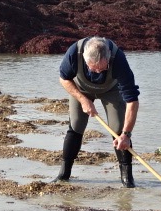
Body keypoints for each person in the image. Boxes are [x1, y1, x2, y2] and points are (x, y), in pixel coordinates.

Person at [54, 36, 140, 187]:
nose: (98, 72)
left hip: (111, 90)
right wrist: (82, 99)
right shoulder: (74, 53)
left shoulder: (118, 59)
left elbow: (132, 101)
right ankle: (63, 175)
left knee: (118, 129)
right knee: (76, 125)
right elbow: (64, 79)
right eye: (93, 68)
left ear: (108, 59)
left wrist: (126, 134)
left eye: (102, 68)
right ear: (85, 60)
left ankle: (127, 180)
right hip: (81, 89)